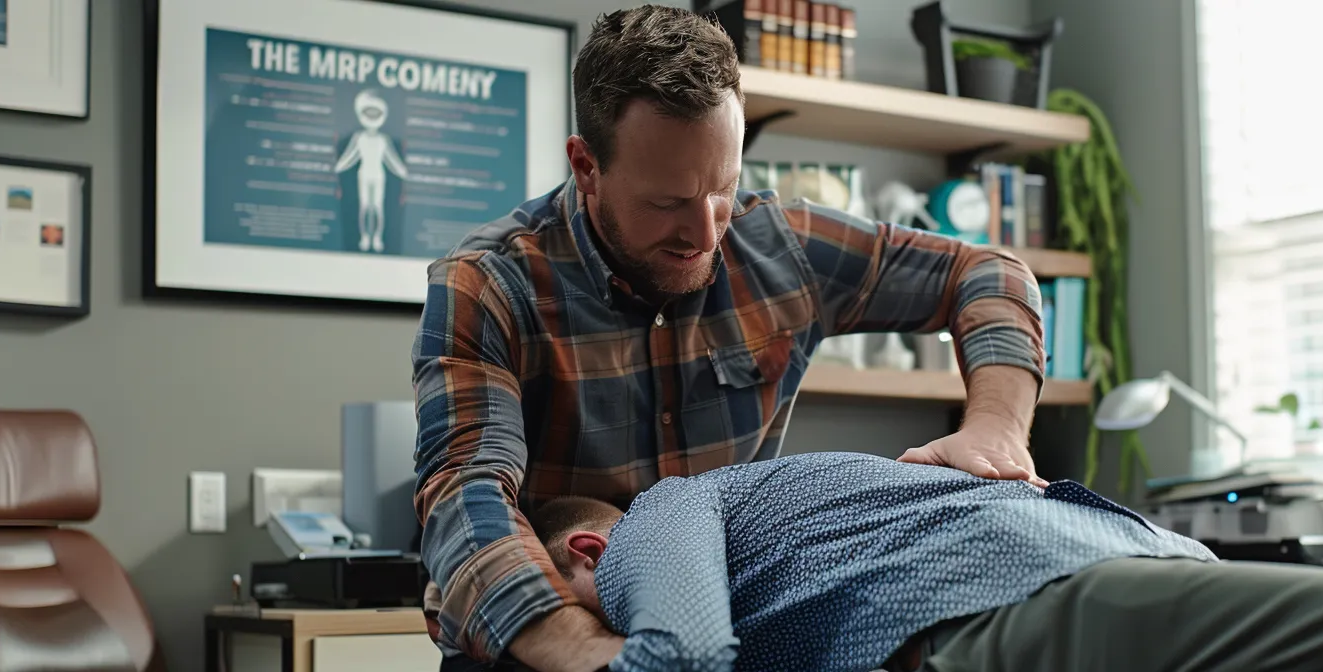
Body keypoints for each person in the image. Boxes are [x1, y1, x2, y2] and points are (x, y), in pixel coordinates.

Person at [412, 6, 1048, 671]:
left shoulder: (782, 250)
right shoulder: (490, 284)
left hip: (730, 634)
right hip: (548, 633)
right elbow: (466, 491)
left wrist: (997, 431)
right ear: (586, 166)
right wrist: (595, 654)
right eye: (667, 202)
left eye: (724, 188)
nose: (706, 232)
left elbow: (990, 275)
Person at [534, 451, 1323, 672]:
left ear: (585, 547)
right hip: (1121, 569)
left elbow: (681, 657)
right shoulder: (773, 496)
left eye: (555, 591)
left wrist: (561, 641)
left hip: (1051, 616)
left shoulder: (657, 516)